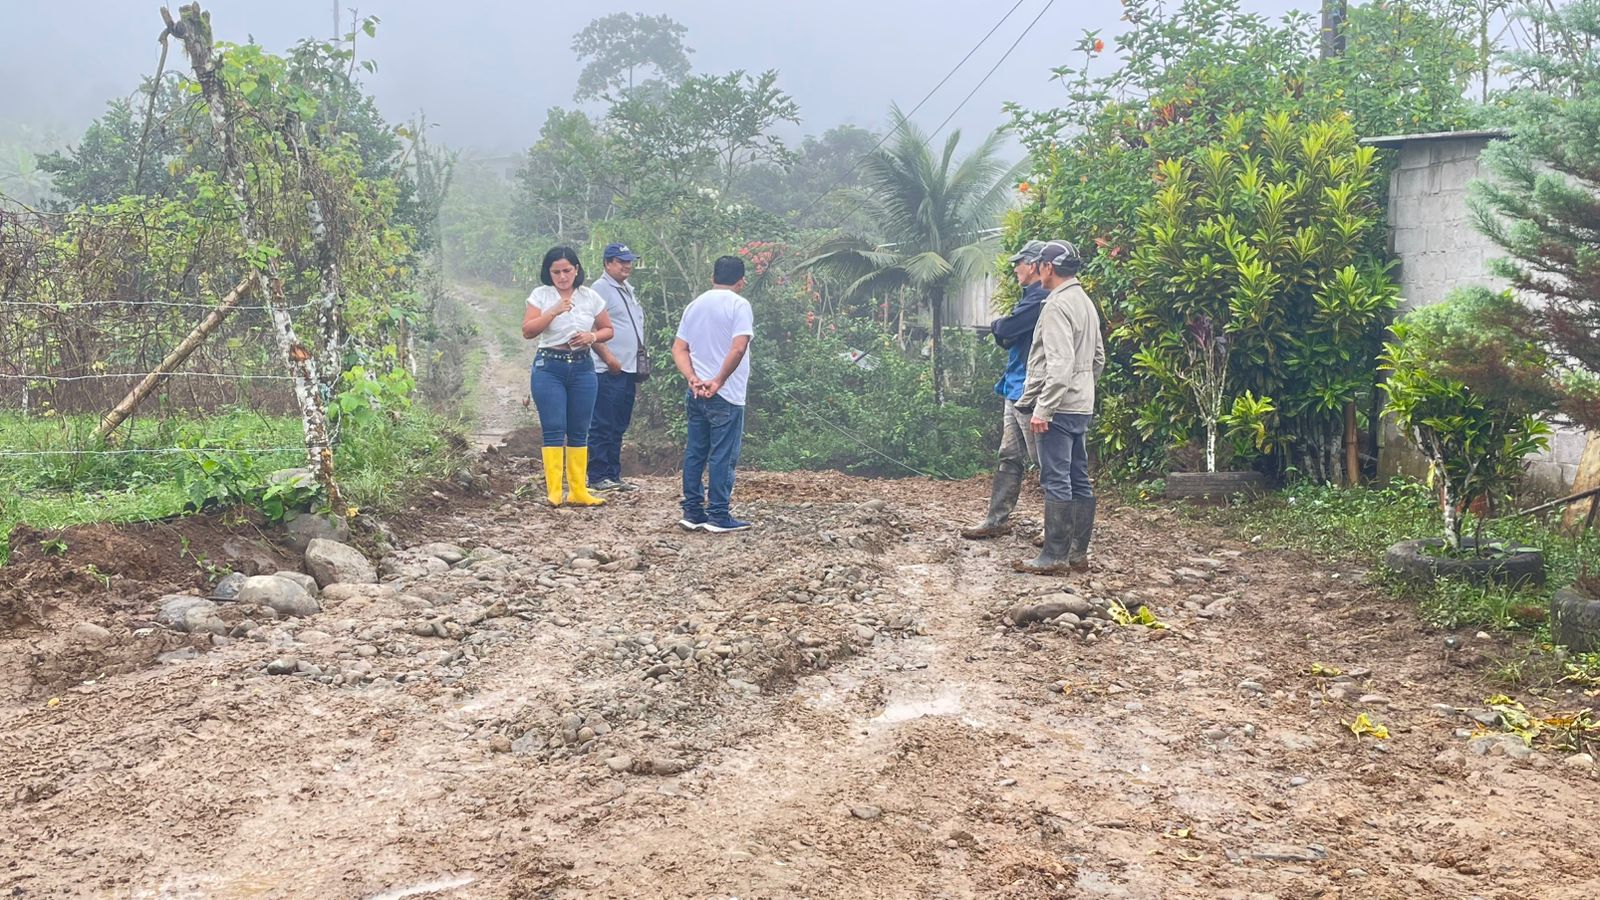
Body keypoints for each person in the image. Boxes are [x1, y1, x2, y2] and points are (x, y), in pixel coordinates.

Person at [1014, 240, 1105, 574]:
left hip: (1059, 408)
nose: (1036, 269)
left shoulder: (1056, 305)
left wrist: (1044, 408)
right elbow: (1098, 358)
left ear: (1048, 267)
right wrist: (1083, 391)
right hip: (1080, 405)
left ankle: (1054, 555)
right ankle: (1077, 554)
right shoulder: (1084, 302)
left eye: (1039, 264)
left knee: (1056, 479)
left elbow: (1060, 365)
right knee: (1079, 477)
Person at [962, 239, 1049, 539]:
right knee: (1009, 454)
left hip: (1030, 390)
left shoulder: (1041, 299)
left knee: (1044, 460)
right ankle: (996, 519)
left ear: (1034, 265)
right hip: (1014, 386)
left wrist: (1002, 327)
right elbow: (1007, 333)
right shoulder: (1030, 298)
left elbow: (1006, 329)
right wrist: (1004, 328)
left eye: (1019, 263)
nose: (1015, 268)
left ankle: (1055, 530)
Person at [522, 246, 615, 508]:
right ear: (548, 273)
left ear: (576, 270)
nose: (562, 277)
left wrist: (591, 336)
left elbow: (608, 329)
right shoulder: (540, 295)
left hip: (582, 366)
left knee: (579, 429)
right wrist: (553, 311)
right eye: (556, 272)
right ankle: (554, 491)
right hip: (549, 365)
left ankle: (578, 490)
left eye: (567, 270)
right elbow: (528, 330)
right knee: (554, 427)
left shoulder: (590, 296)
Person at [672, 255, 754, 533]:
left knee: (696, 451)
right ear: (741, 281)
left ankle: (693, 511)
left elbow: (679, 348)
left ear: (713, 278)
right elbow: (739, 347)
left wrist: (692, 378)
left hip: (696, 392)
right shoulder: (739, 305)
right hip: (726, 394)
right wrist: (718, 380)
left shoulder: (694, 305)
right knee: (722, 454)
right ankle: (718, 514)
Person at [588, 242, 648, 493]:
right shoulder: (600, 289)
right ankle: (597, 475)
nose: (627, 265)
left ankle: (613, 474)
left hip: (628, 368)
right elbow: (590, 329)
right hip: (608, 369)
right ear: (607, 263)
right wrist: (609, 358)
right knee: (602, 423)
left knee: (619, 423)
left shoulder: (627, 289)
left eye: (629, 261)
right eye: (621, 261)